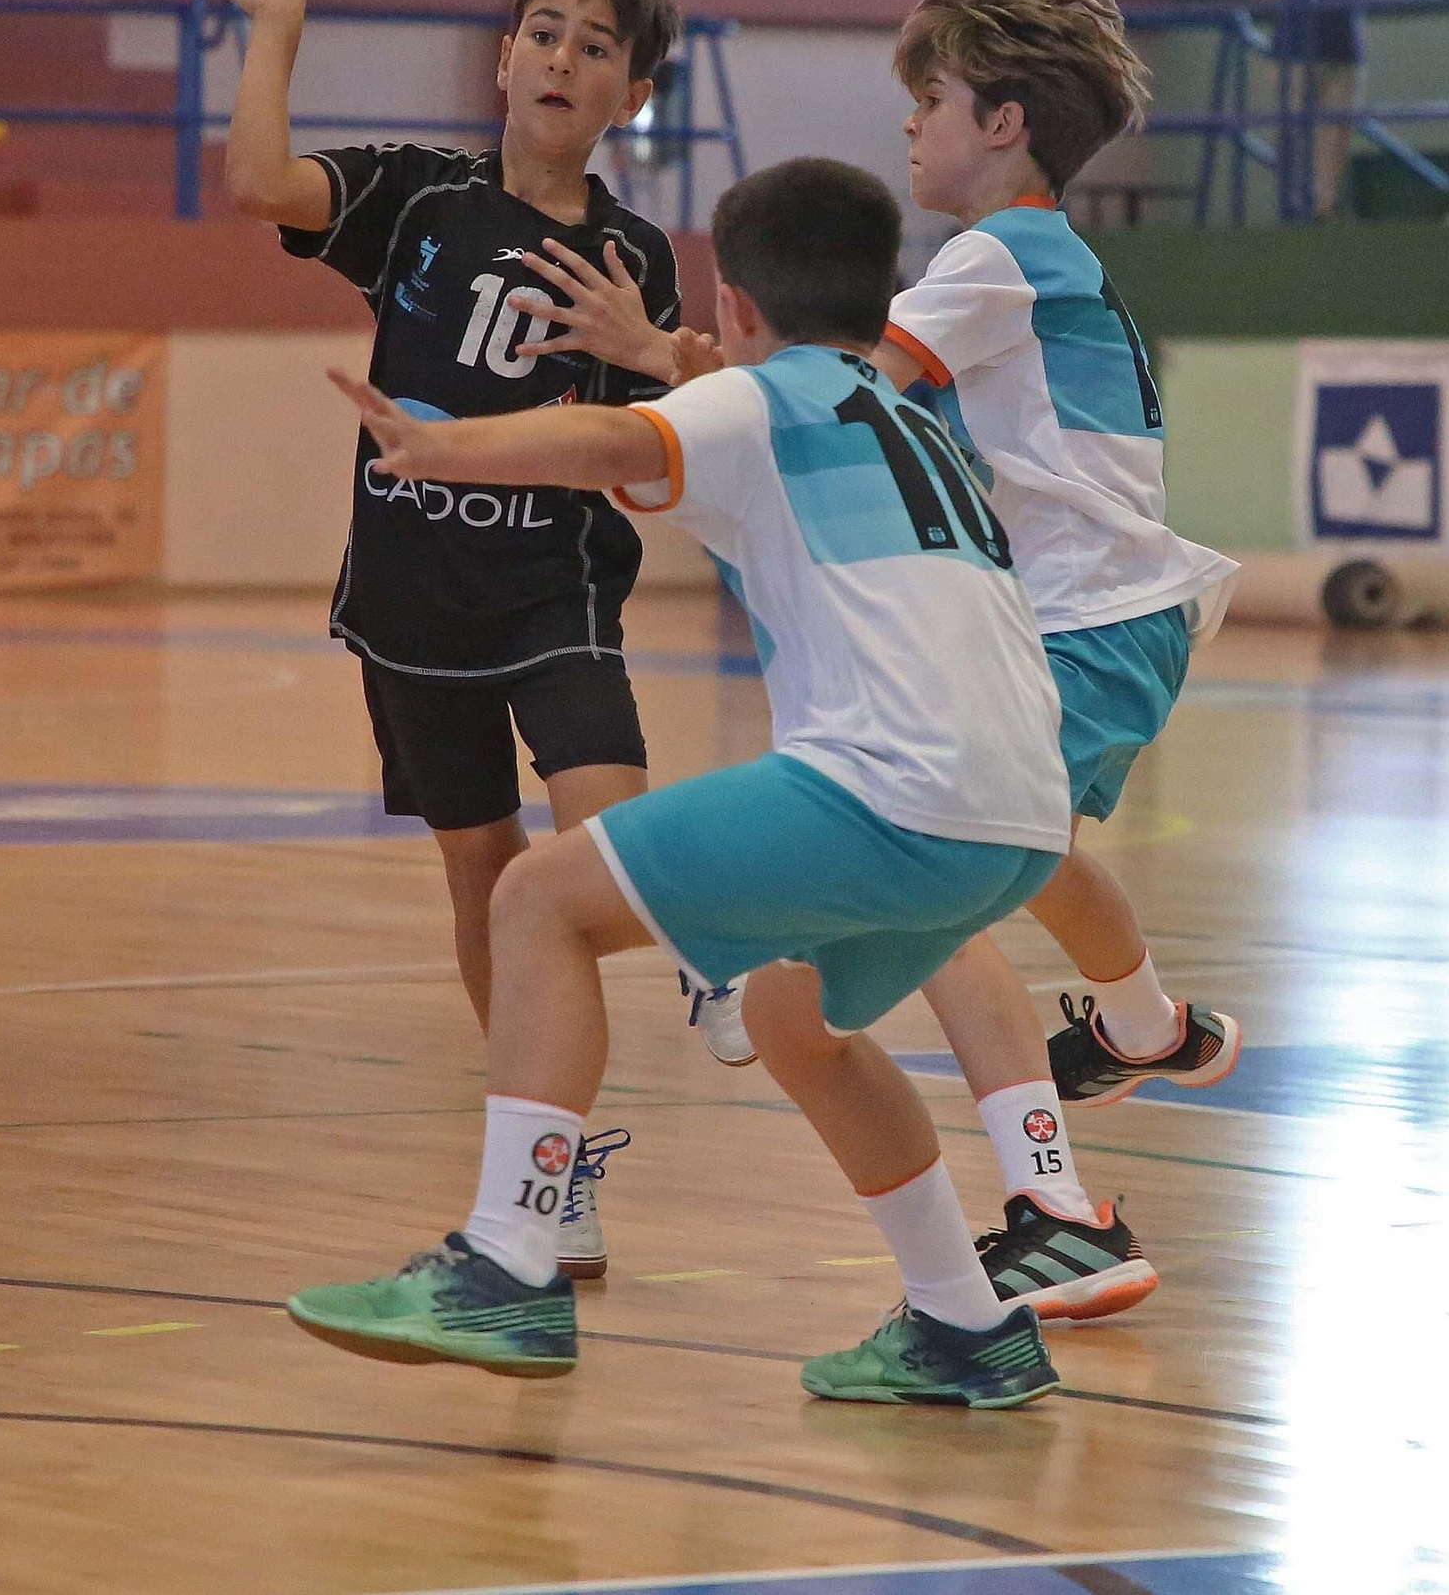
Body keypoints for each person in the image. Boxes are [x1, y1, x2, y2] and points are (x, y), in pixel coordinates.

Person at [287, 157, 1071, 1408]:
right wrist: (683, 366)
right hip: (1022, 818)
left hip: (892, 789)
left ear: (736, 302)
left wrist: (442, 443)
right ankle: (964, 1323)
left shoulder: (761, 401)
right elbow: (717, 421)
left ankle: (507, 1261)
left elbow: (617, 437)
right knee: (795, 1023)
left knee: (537, 899)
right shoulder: (906, 417)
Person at [214, 0, 700, 1276]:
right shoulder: (420, 198)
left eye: (594, 48)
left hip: (555, 593)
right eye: (543, 34)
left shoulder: (634, 254)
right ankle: (549, 1170)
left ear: (631, 95)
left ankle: (714, 944)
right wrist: (277, 23)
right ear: (502, 57)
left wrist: (653, 354)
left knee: (606, 849)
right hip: (413, 601)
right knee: (486, 877)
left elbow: (657, 458)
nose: (560, 60)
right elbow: (257, 182)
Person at [799, 0, 1241, 1352]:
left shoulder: (997, 254)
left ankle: (1058, 1210)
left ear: (1001, 123)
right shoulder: (1037, 259)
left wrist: (678, 379)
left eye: (930, 98)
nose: (910, 121)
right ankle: (1144, 1027)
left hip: (1087, 619)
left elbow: (852, 392)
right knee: (1030, 848)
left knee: (939, 875)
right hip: (1116, 619)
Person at [1249, 0, 1375, 218]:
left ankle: (1324, 208)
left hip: (1343, 49)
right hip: (1294, 51)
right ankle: (1294, 205)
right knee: (1293, 131)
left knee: (1336, 133)